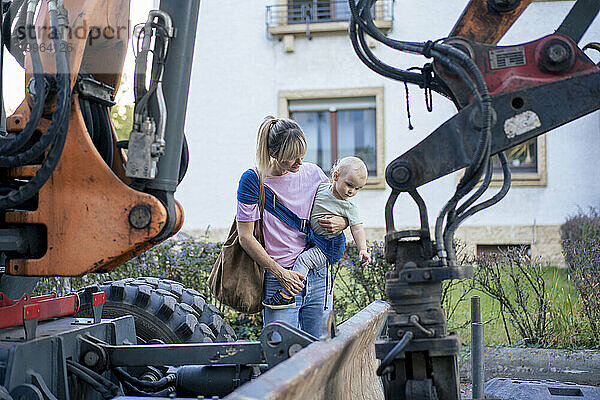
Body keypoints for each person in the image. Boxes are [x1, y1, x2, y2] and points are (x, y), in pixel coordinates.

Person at [236, 116, 348, 338]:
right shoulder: (253, 180)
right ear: (273, 153)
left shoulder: (314, 174)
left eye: (302, 155)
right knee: (281, 356)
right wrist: (281, 274)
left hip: (318, 276)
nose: (299, 163)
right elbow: (245, 237)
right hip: (281, 281)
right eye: (291, 158)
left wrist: (343, 222)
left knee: (322, 352)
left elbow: (338, 208)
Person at [262, 156, 371, 309]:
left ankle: (287, 295)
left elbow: (357, 227)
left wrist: (363, 249)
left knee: (304, 260)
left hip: (327, 246)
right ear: (335, 176)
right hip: (314, 239)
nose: (352, 191)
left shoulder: (348, 206)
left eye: (357, 188)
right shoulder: (320, 188)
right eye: (349, 185)